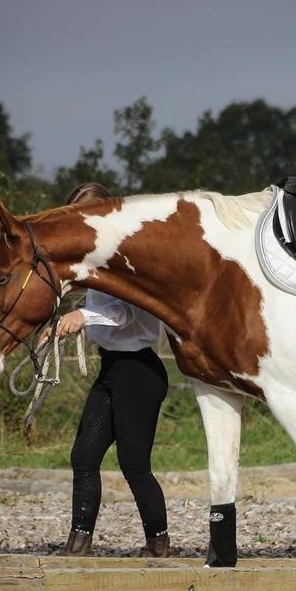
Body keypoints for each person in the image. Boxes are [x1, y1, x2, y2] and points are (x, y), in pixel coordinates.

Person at [52, 182, 173, 557]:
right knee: (83, 456)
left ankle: (159, 545)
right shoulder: (97, 260)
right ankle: (78, 544)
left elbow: (122, 313)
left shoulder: (125, 258)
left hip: (139, 371)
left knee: (134, 465)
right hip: (113, 368)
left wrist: (81, 315)